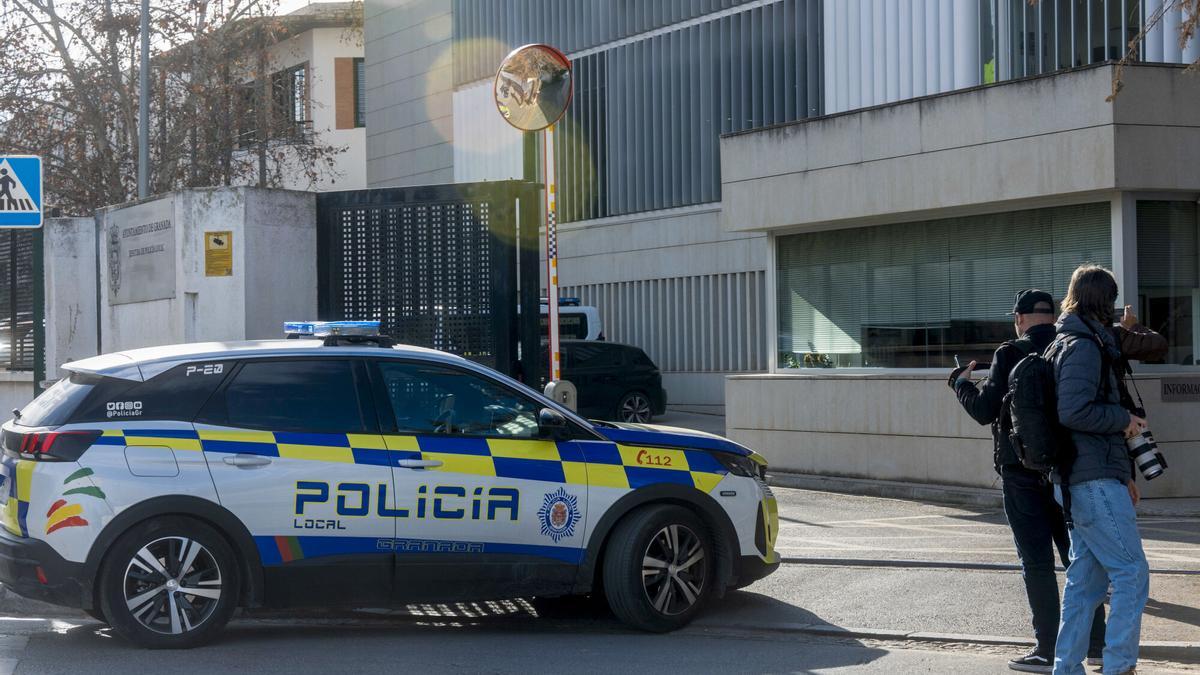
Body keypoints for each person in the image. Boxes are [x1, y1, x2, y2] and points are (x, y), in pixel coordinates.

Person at [950, 289, 1105, 673]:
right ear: (1051, 316)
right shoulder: (1071, 346)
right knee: (1079, 558)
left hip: (1021, 473)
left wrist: (961, 384)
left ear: (1019, 318)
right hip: (1068, 471)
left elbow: (985, 411)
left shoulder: (1010, 352)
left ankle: (1047, 649)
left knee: (1036, 561)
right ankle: (1097, 644)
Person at [1050, 265, 1150, 675]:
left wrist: (1122, 472)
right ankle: (1119, 667)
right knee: (1131, 573)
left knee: (1085, 582)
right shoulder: (1084, 345)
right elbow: (1073, 411)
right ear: (1103, 300)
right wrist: (1123, 418)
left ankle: (1066, 669)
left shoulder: (1067, 340)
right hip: (1090, 480)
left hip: (1083, 477)